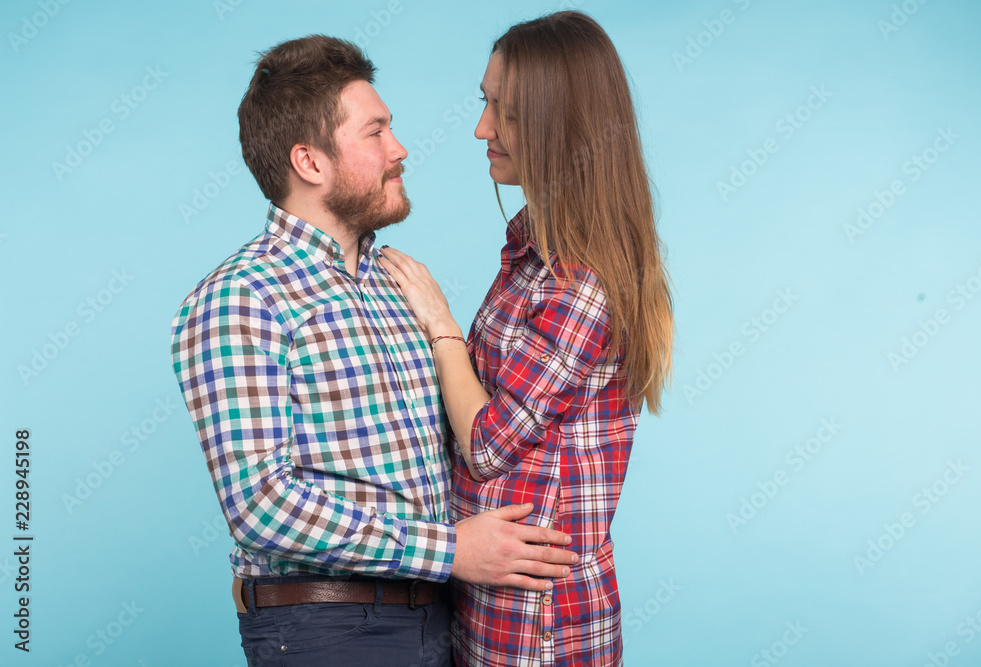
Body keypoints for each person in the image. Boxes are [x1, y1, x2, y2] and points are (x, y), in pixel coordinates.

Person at [170, 34, 579, 667]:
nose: (399, 149)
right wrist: (452, 550)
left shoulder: (397, 284)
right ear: (310, 162)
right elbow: (262, 505)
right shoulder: (242, 298)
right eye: (376, 132)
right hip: (329, 629)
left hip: (439, 616)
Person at [379, 11, 675, 666]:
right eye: (485, 102)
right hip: (487, 602)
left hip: (540, 622)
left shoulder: (580, 286)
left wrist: (439, 323)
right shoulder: (533, 255)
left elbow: (487, 445)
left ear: (561, 127)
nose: (481, 128)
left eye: (506, 113)